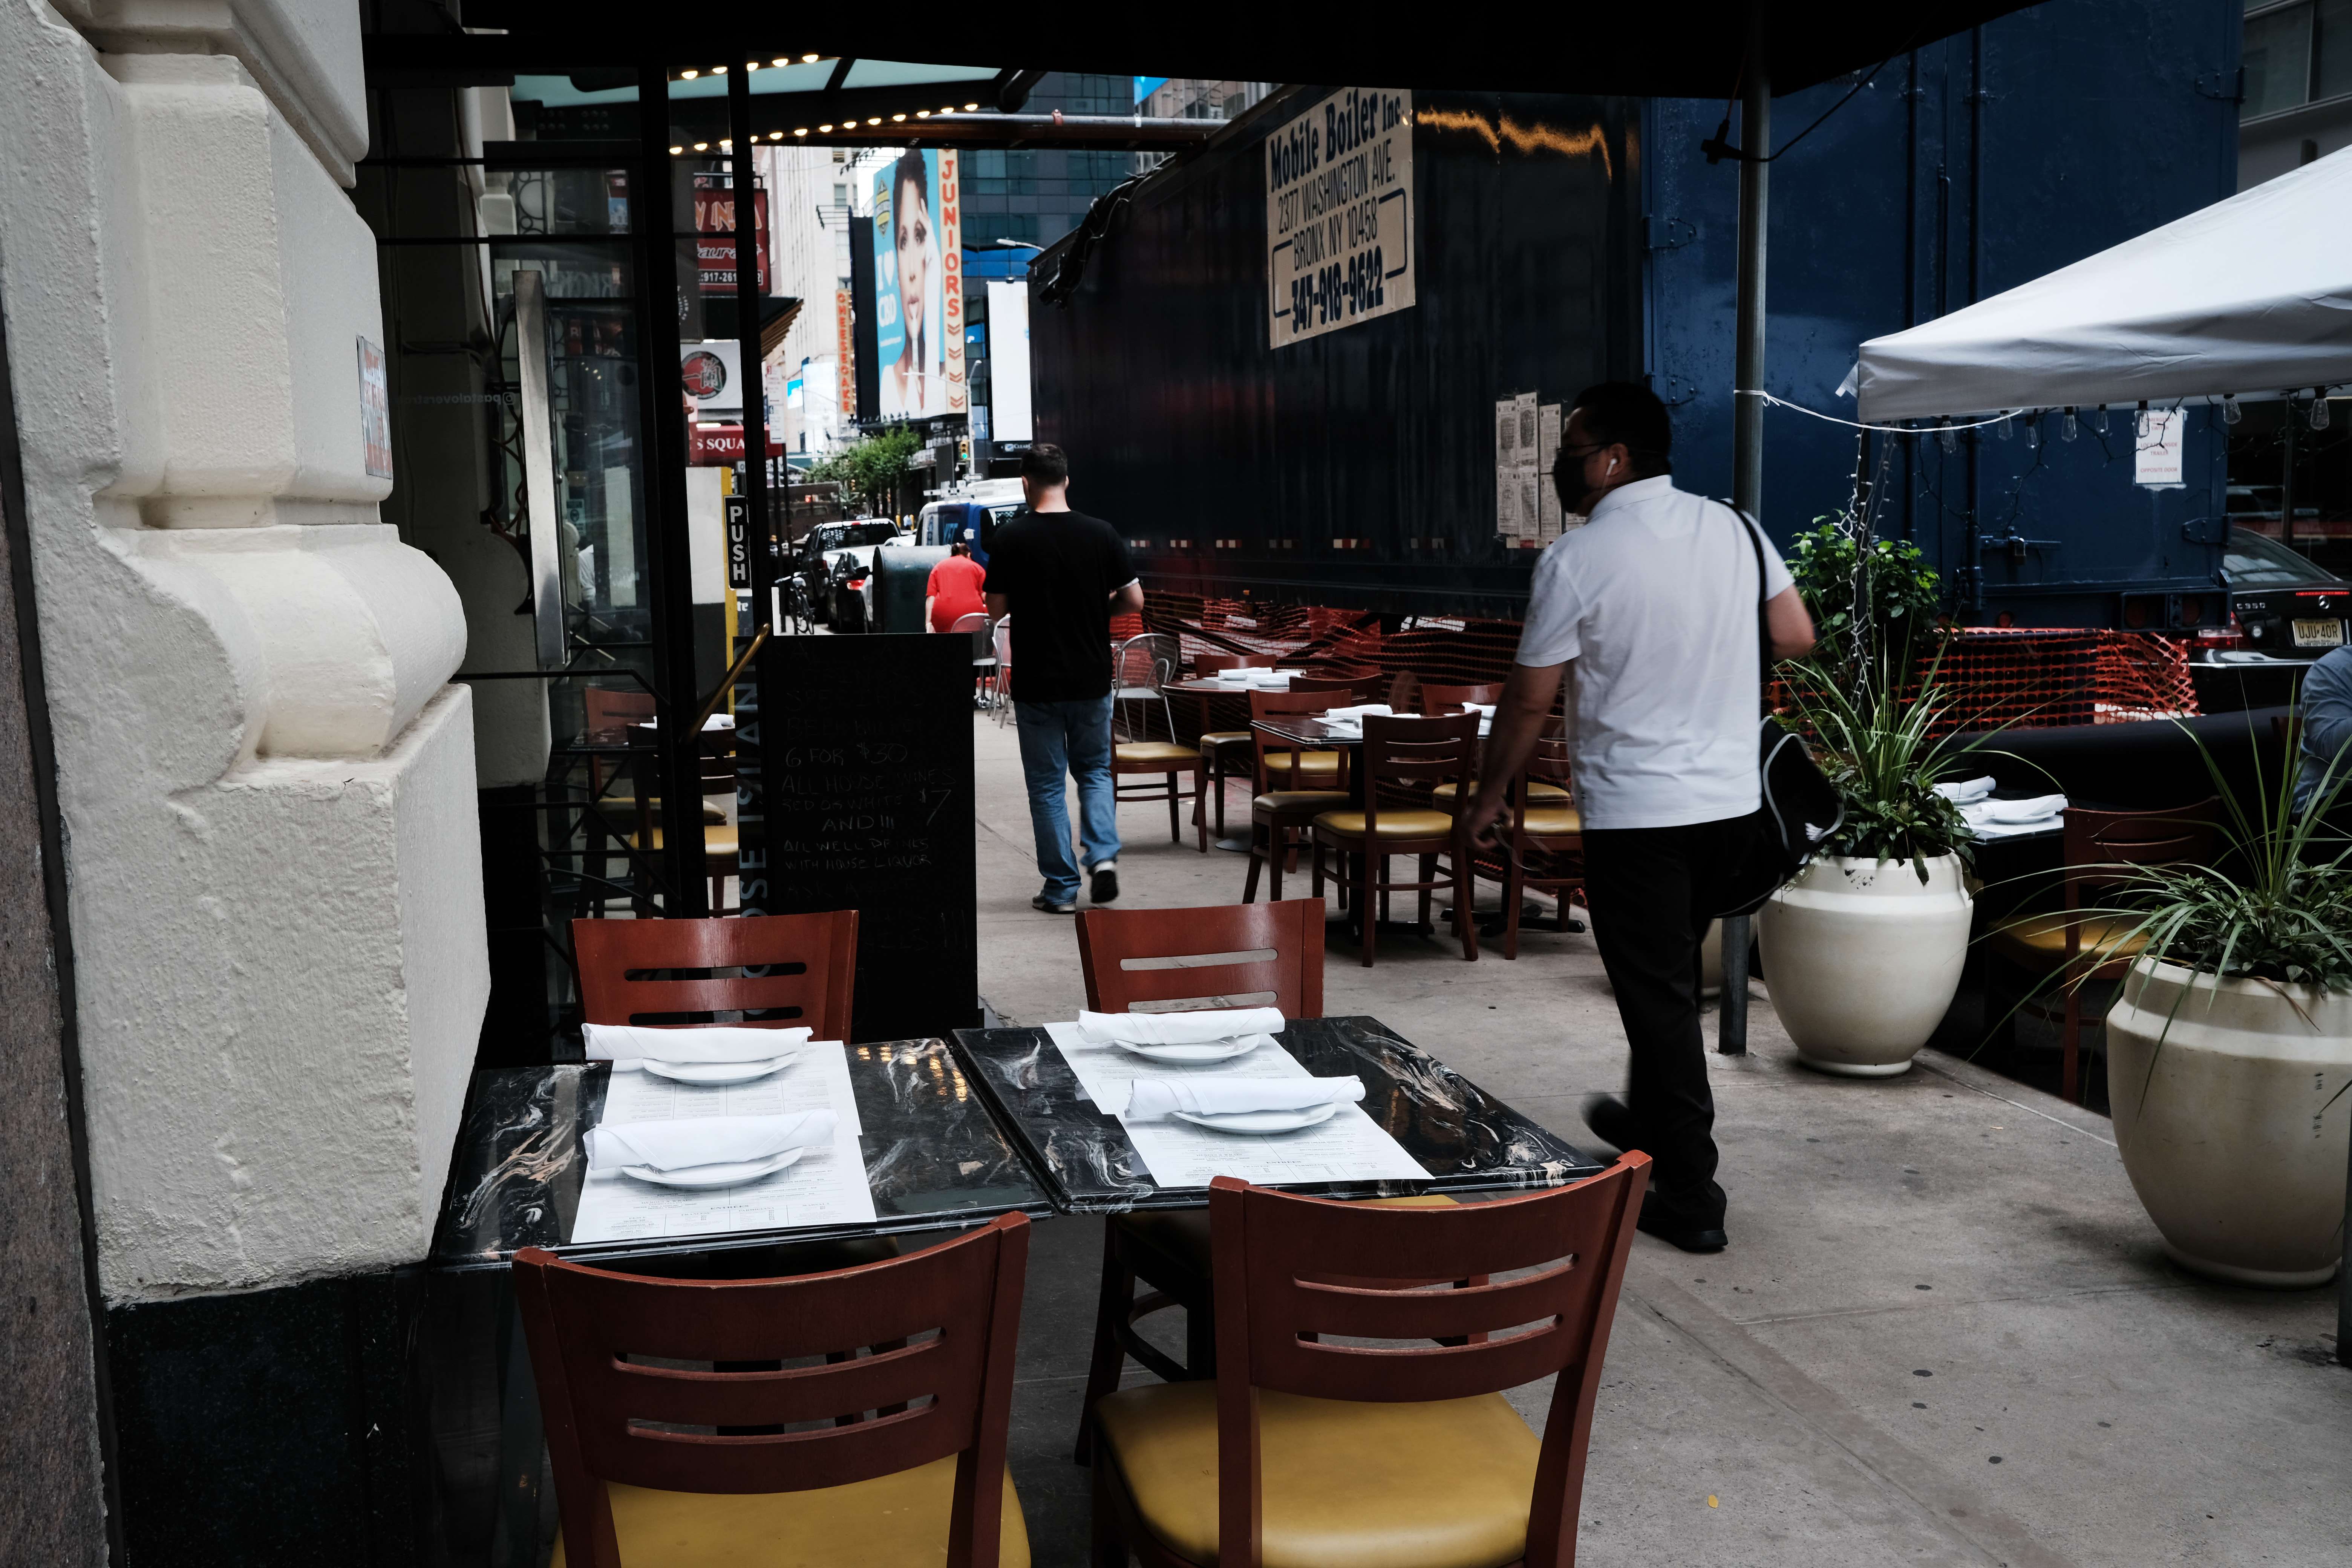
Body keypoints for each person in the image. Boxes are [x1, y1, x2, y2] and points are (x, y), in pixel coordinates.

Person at [1461, 382, 1815, 1254]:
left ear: (1616, 458)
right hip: (1731, 810)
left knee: (1656, 1002)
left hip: (1640, 819)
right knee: (1656, 986)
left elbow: (1528, 696)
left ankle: (1689, 1195)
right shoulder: (1736, 528)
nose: (1561, 464)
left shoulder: (1578, 560)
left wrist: (1490, 792)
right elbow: (1797, 635)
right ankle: (1646, 1126)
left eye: (1574, 446)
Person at [983, 444, 1143, 913]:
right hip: (1091, 677)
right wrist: (1098, 610)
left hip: (1037, 682)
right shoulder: (1102, 534)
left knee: (1048, 785)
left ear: (1025, 483)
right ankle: (1104, 859)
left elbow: (996, 610)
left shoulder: (1011, 539)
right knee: (1094, 772)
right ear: (1067, 480)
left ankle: (1060, 889)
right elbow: (1134, 601)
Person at [879, 149, 936, 418]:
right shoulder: (887, 383)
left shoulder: (952, 381)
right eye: (903, 242)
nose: (913, 270)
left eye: (921, 237)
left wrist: (934, 263)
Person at [926, 538, 987, 632]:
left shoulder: (938, 567)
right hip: (972, 618)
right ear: (969, 555)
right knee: (973, 644)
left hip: (943, 618)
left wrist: (929, 623)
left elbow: (931, 598)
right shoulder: (977, 568)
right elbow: (985, 595)